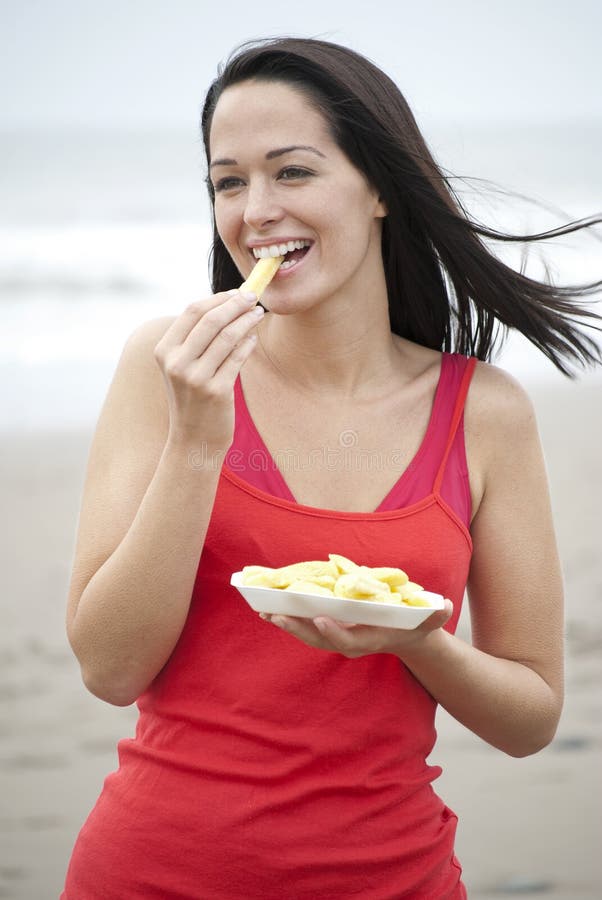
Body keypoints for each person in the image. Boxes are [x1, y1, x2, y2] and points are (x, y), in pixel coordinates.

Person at [61, 37, 601, 899]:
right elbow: (108, 668)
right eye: (228, 182)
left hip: (395, 877)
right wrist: (200, 440)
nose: (256, 210)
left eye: (293, 172)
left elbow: (531, 718)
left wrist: (419, 644)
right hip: (150, 872)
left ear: (381, 186)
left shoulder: (485, 413)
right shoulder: (163, 368)